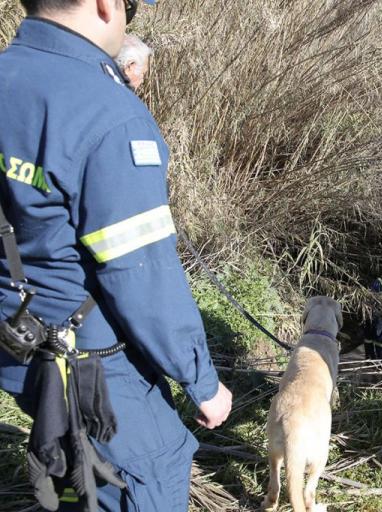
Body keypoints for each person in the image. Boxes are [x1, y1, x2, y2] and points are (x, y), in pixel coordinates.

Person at [0, 0, 232, 510]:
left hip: (16, 347)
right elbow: (141, 276)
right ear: (104, 5)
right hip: (92, 365)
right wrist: (202, 381)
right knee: (148, 476)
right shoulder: (108, 113)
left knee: (67, 471)